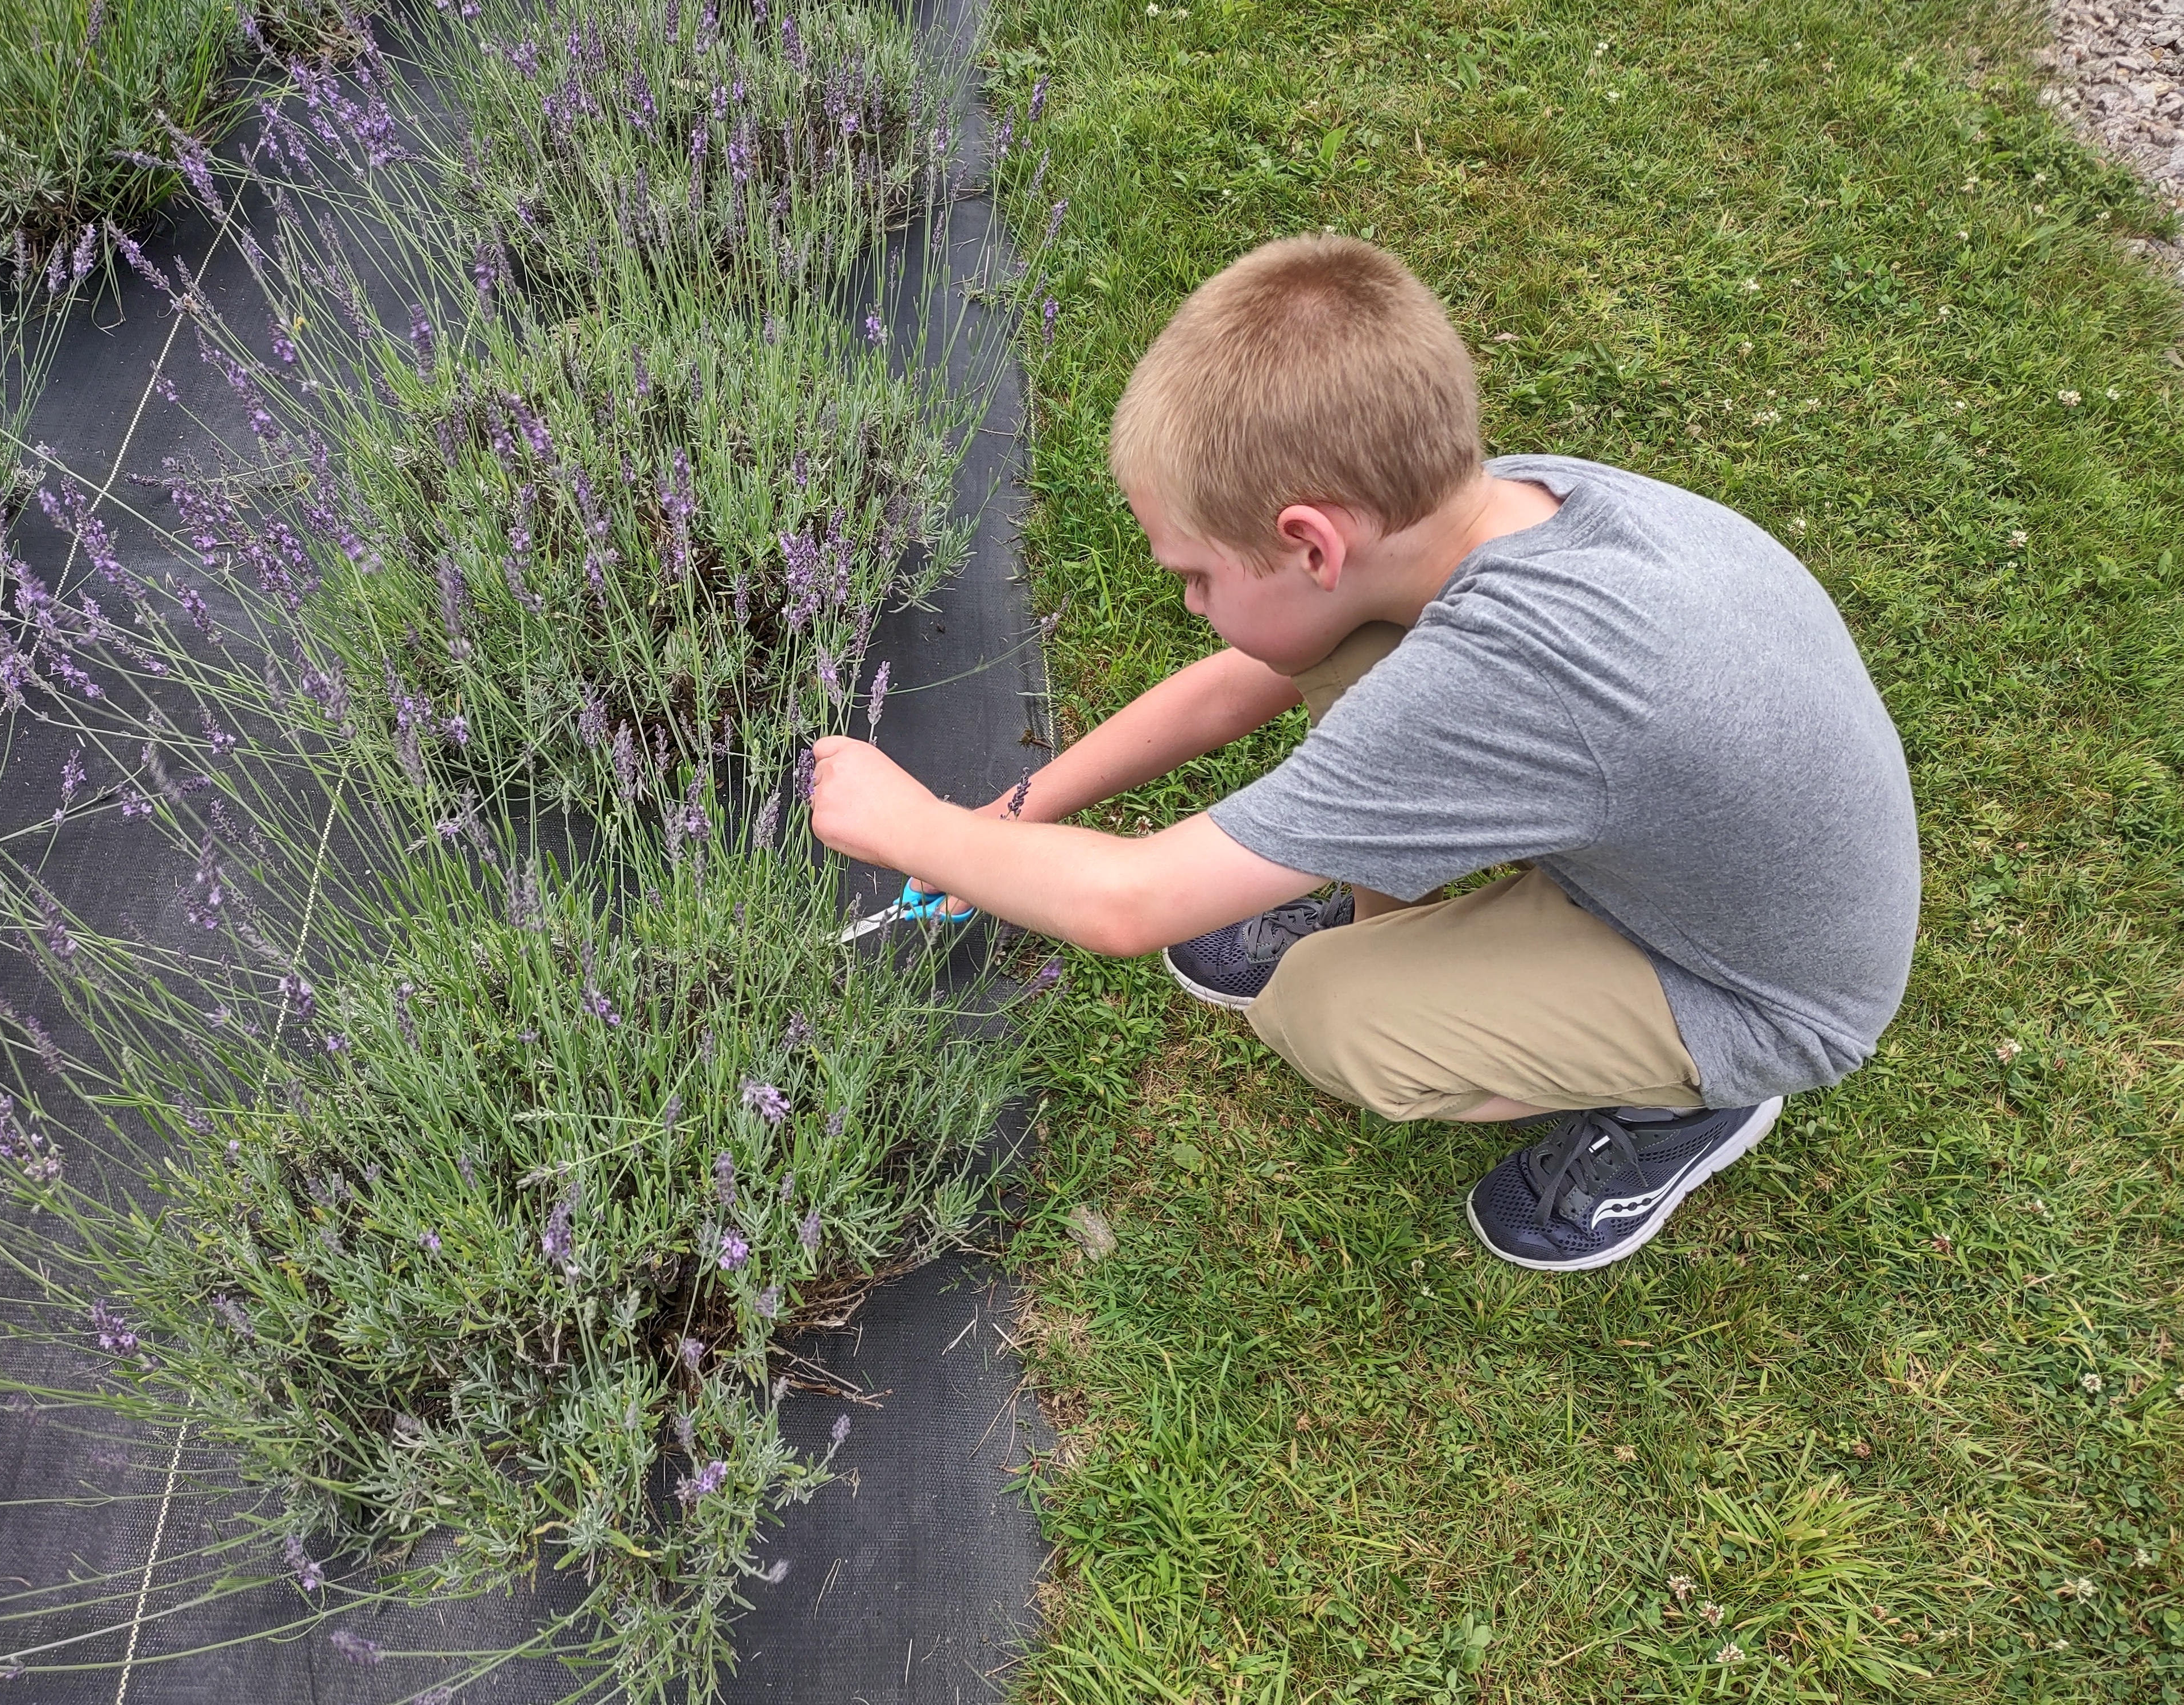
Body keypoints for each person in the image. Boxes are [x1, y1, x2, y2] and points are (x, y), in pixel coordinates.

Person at [807, 234, 1919, 1272]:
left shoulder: (1509, 682)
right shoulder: (1497, 504)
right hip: (1712, 863)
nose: (1191, 605)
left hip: (1756, 990)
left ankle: (1686, 1107)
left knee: (1327, 1013)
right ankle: (1436, 924)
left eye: (1194, 576)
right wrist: (1010, 815)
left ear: (1307, 542)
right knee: (1361, 650)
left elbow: (1128, 906)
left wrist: (912, 826)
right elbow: (1236, 685)